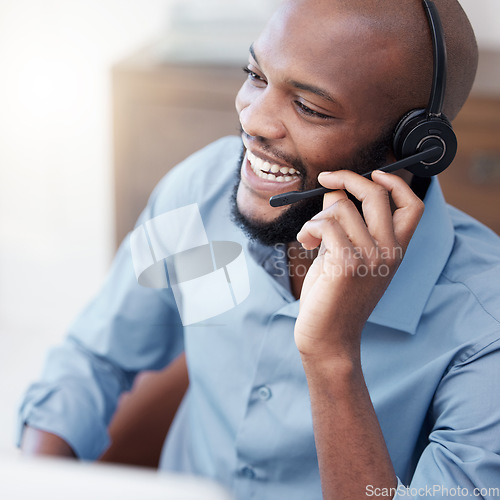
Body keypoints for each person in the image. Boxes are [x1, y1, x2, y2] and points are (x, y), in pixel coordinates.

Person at [18, 0, 500, 498]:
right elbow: (96, 359)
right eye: (256, 75)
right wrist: (33, 481)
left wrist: (332, 356)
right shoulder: (201, 193)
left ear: (415, 148)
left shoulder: (486, 333)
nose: (255, 121)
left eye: (309, 107)